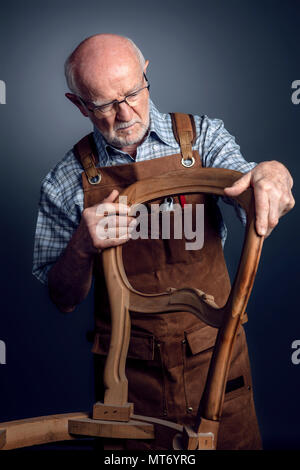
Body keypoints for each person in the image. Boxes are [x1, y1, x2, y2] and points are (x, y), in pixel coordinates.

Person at [32, 34, 294, 450]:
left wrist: (273, 174)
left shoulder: (202, 138)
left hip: (216, 364)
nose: (125, 113)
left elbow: (249, 191)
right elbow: (62, 298)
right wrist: (82, 246)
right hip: (129, 383)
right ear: (78, 104)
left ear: (146, 74)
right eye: (103, 104)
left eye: (133, 92)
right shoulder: (65, 179)